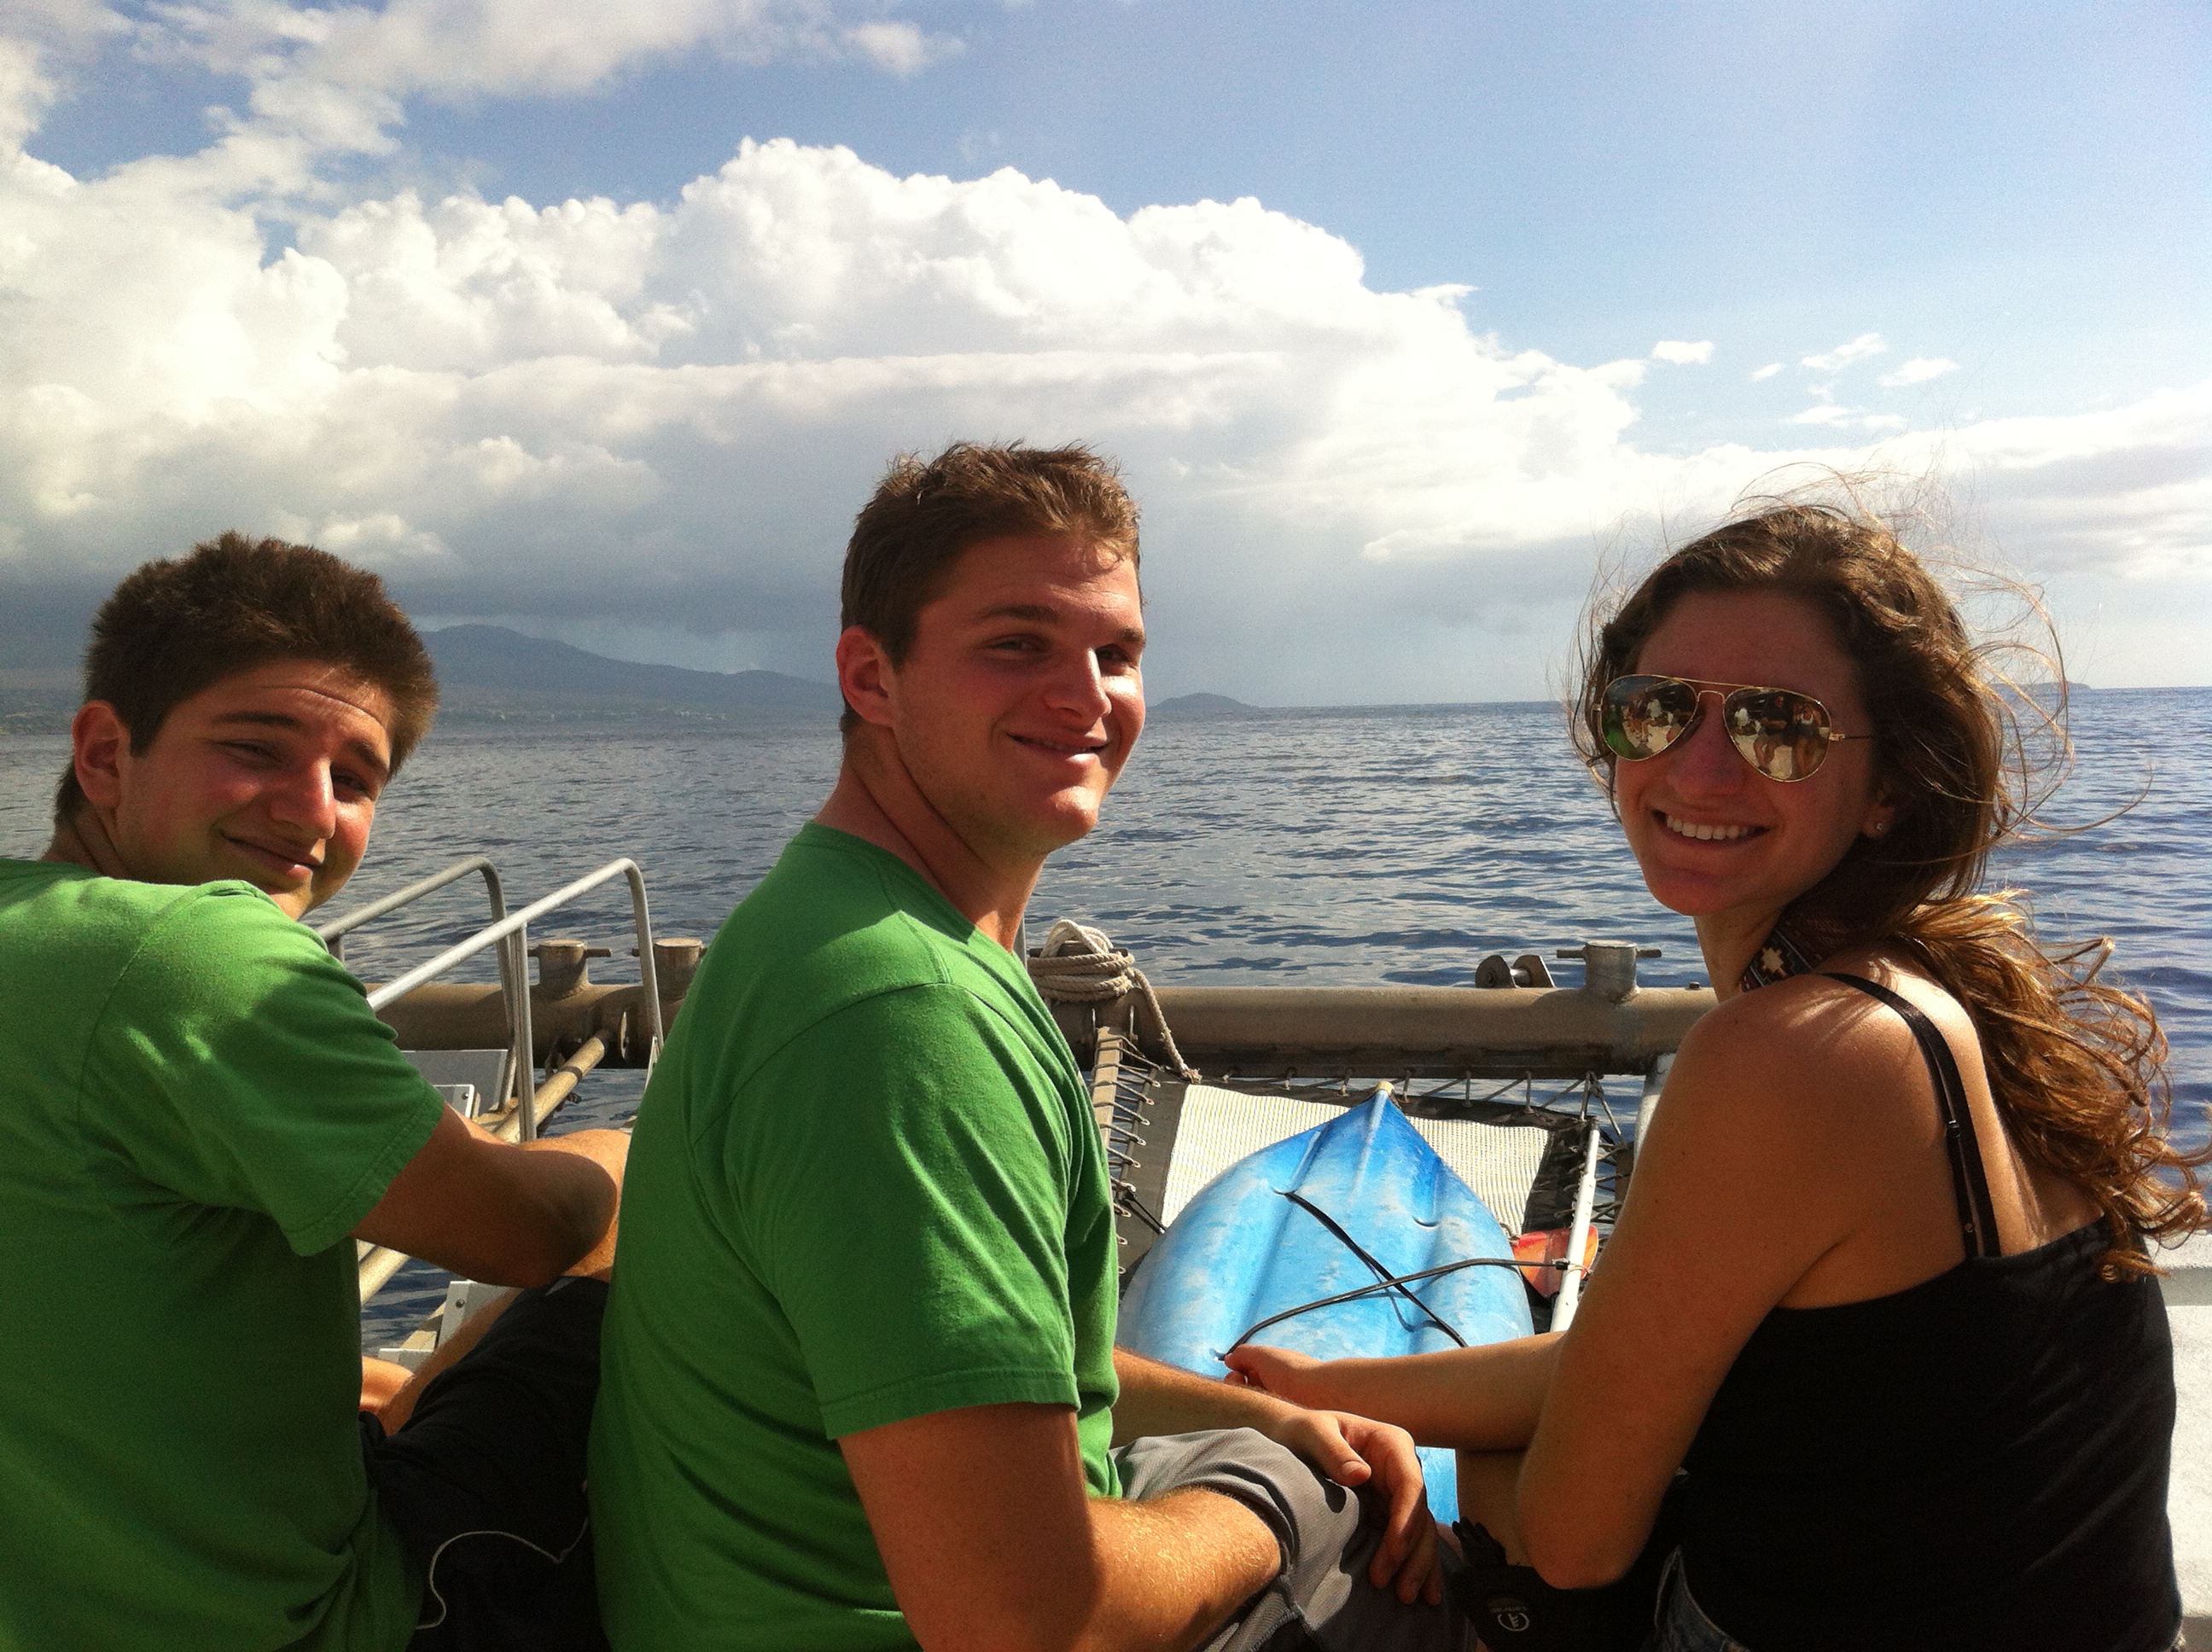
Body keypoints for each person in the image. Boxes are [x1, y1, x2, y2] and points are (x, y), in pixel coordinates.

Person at [1228, 497, 2196, 1650]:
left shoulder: (1794, 1054)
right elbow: (1630, 1360)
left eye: (1777, 725)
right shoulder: (1953, 998)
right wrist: (1317, 1393)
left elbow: (1574, 1540)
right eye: (1660, 709)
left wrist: (1455, 1462)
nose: (1697, 768)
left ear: (1892, 784)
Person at [589, 443, 1467, 1651]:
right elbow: (1025, 1620)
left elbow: (996, 1363)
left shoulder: (845, 922)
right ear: (873, 677)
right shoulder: (901, 1018)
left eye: (1119, 654)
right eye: (1018, 644)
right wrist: (1285, 1499)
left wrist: (1266, 1422)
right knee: (1439, 1577)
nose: (1087, 695)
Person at [1, 532, 631, 1652]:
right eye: (256, 748)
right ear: (104, 753)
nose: (310, 811)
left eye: (356, 781)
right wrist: (617, 1158)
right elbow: (524, 1236)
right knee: (626, 1212)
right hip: (333, 1624)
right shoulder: (192, 952)